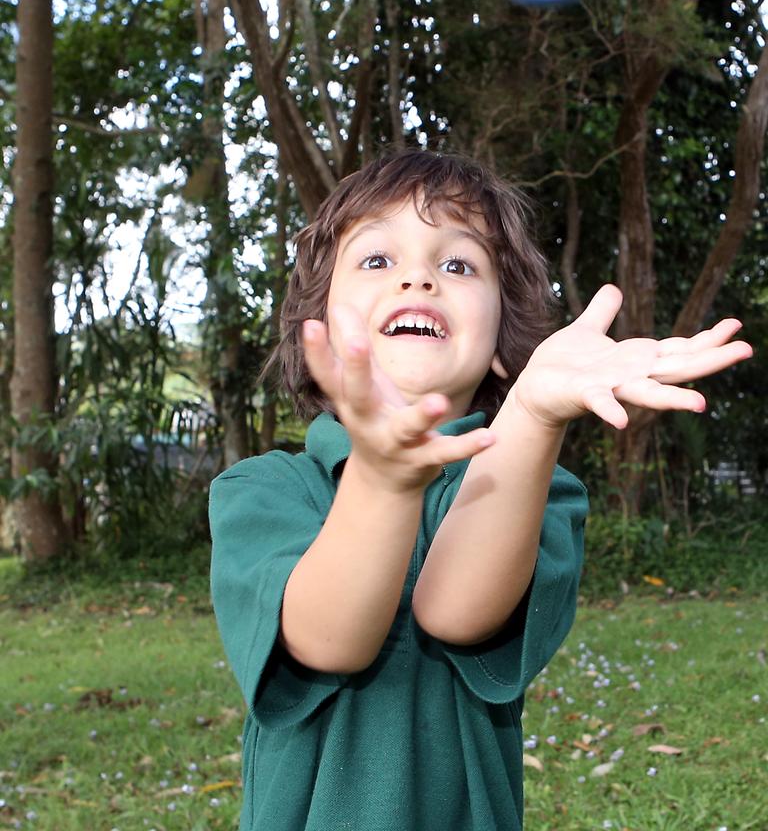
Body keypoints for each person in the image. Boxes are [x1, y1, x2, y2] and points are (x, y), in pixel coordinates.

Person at [209, 150, 751, 831]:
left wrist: (530, 413)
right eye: (377, 260)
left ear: (500, 345)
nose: (418, 276)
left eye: (458, 264)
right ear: (318, 329)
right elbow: (329, 639)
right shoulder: (261, 491)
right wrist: (383, 476)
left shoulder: (536, 489)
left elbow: (454, 613)